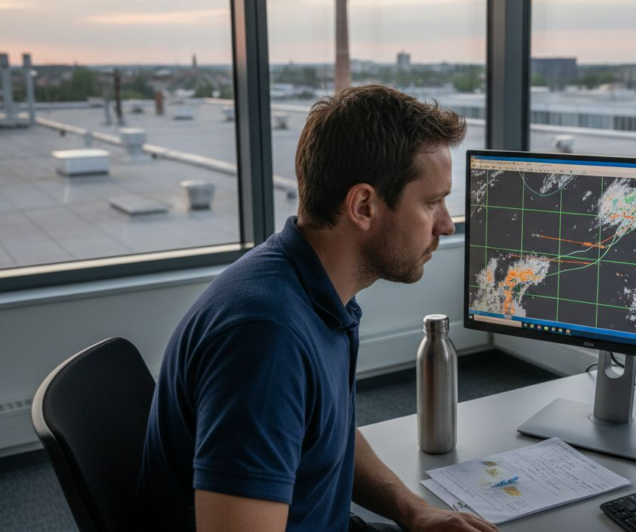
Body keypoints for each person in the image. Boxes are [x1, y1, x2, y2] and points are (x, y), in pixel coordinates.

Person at [139, 85, 498, 532]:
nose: (446, 224)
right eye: (431, 202)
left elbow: (325, 435)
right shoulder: (269, 338)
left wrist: (414, 511)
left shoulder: (314, 288)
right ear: (363, 205)